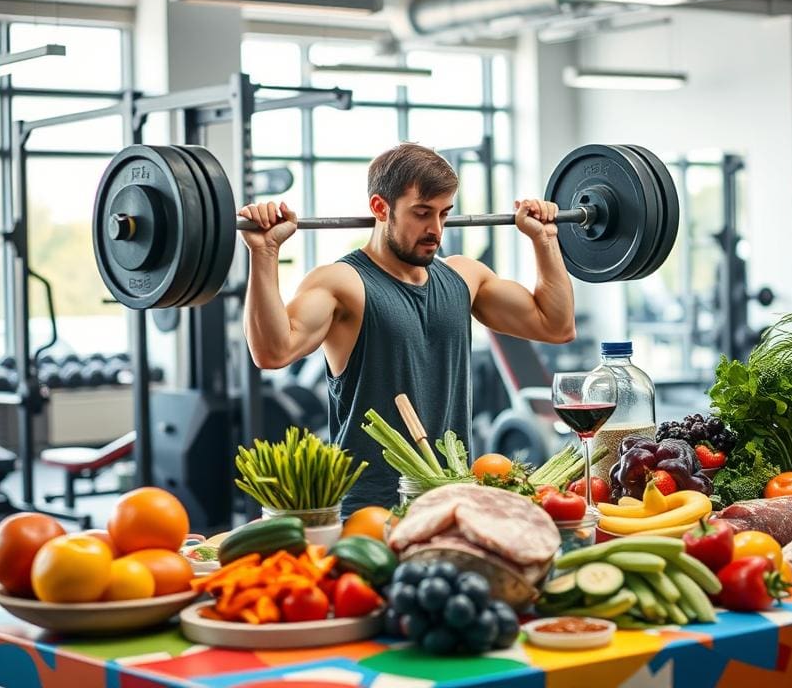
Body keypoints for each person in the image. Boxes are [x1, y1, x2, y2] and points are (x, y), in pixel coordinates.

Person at [238, 142, 576, 516]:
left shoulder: (464, 276)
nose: (436, 230)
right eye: (421, 213)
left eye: (444, 214)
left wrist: (545, 240)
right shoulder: (342, 283)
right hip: (370, 512)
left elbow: (556, 325)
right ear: (380, 208)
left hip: (451, 501)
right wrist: (264, 254)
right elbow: (272, 352)